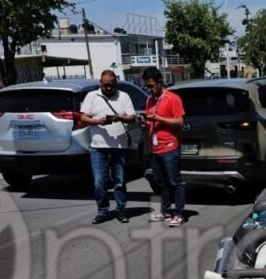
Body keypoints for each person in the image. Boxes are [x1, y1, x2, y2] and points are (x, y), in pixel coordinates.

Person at [80, 70, 136, 224]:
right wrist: (98, 121)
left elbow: (132, 117)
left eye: (112, 85)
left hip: (119, 146)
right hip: (98, 147)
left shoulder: (124, 96)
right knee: (99, 182)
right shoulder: (92, 96)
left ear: (116, 84)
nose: (109, 88)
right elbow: (83, 117)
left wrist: (121, 118)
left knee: (120, 181)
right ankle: (102, 211)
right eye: (106, 85)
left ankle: (121, 210)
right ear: (100, 83)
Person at [140, 67, 187, 227]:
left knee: (174, 181)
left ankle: (179, 213)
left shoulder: (172, 98)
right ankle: (165, 211)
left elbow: (180, 121)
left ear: (160, 82)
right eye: (147, 86)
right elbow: (150, 121)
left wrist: (159, 118)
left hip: (170, 146)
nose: (150, 89)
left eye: (152, 86)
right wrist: (145, 124)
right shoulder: (150, 100)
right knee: (160, 182)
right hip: (155, 147)